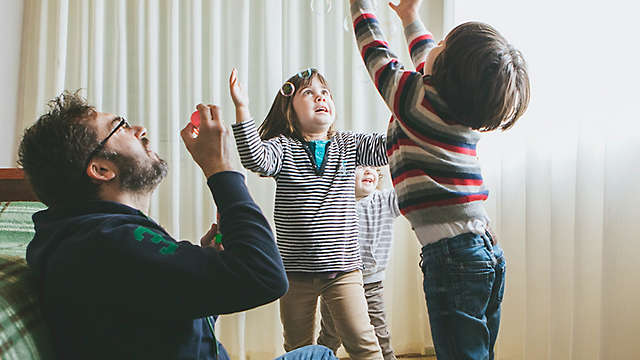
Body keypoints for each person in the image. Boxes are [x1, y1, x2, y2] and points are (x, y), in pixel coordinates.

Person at [17, 91, 337, 360]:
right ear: (100, 168)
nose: (140, 129)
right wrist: (221, 168)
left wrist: (203, 262)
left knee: (317, 354)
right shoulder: (111, 242)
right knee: (321, 355)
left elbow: (161, 317)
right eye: (122, 127)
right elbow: (267, 277)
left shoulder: (90, 239)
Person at [350, 0, 531, 359]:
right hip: (483, 251)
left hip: (454, 259)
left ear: (445, 72)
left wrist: (360, 5)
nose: (434, 46)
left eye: (443, 45)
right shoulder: (456, 106)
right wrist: (409, 17)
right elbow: (428, 57)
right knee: (477, 352)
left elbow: (375, 52)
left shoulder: (415, 100)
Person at [229, 68, 387, 359]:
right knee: (298, 348)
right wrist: (242, 107)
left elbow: (387, 147)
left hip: (343, 270)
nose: (320, 97)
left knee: (363, 343)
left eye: (324, 92)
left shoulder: (348, 145)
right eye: (308, 93)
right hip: (294, 274)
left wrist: (405, 107)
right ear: (289, 110)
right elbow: (254, 157)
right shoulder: (283, 148)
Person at [318, 165, 400, 360]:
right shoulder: (335, 203)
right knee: (331, 333)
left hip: (371, 283)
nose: (368, 171)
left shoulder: (385, 200)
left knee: (379, 334)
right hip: (337, 283)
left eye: (372, 168)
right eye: (360, 167)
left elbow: (407, 192)